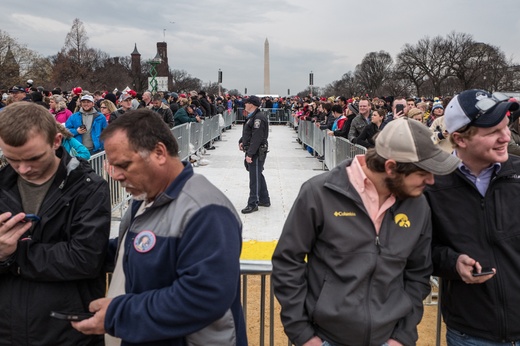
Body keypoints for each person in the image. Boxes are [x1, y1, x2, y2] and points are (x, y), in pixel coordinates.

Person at [272, 117, 460, 346]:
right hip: (324, 338)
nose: (431, 181)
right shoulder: (318, 193)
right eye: (423, 173)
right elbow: (287, 262)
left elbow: (418, 273)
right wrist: (302, 335)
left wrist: (403, 336)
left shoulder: (418, 204)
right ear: (391, 167)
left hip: (389, 340)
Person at [71, 109, 247, 346]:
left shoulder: (206, 211)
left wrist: (119, 314)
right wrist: (73, 250)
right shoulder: (143, 199)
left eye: (124, 165)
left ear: (159, 152)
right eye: (112, 167)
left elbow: (204, 297)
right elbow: (132, 252)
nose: (117, 176)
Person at [0, 102, 110, 345]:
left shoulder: (88, 188)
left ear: (57, 141)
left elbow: (84, 258)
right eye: (12, 160)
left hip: (66, 329)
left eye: (33, 158)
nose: (23, 169)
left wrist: (13, 255)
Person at [424, 89, 520, 345]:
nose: (506, 137)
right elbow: (419, 250)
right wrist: (453, 264)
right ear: (460, 139)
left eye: (507, 127)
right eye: (493, 133)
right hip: (471, 333)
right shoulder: (431, 184)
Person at [238, 95, 270, 214]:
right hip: (252, 149)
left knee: (254, 177)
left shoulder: (258, 118)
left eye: (246, 103)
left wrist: (250, 154)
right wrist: (241, 141)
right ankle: (264, 198)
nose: (245, 104)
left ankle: (253, 203)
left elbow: (257, 137)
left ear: (252, 104)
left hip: (256, 151)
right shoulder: (252, 117)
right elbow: (249, 132)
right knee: (257, 174)